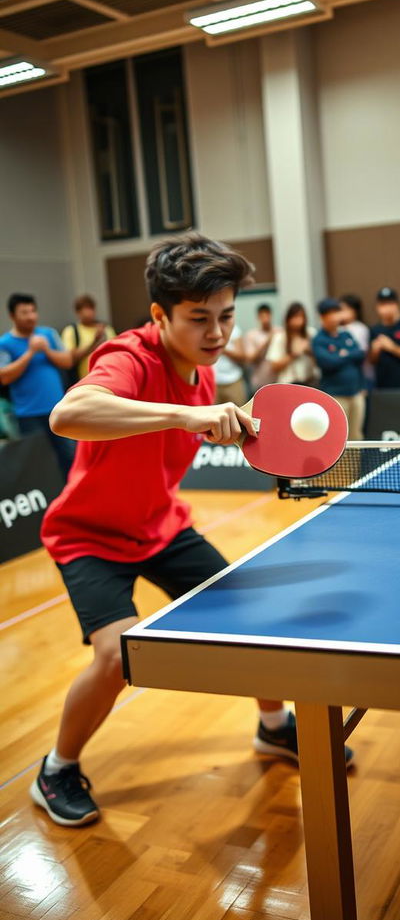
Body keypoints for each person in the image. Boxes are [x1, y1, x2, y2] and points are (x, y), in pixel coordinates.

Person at [32, 233, 353, 828]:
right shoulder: (128, 357)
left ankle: (274, 727)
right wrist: (186, 415)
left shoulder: (204, 373)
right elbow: (68, 415)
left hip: (162, 525)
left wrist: (208, 419)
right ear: (160, 315)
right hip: (89, 537)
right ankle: (56, 768)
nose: (216, 333)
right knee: (115, 657)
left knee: (250, 621)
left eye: (226, 316)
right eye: (198, 318)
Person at [0, 293, 76, 477]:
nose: (31, 316)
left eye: (33, 311)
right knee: (39, 463)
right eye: (24, 312)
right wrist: (30, 352)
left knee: (70, 456)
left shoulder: (48, 334)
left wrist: (47, 350)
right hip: (29, 414)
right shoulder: (5, 343)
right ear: (12, 316)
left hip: (58, 409)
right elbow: (4, 377)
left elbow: (67, 361)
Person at [312, 298, 366, 438]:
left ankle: (357, 462)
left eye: (337, 312)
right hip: (336, 396)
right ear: (323, 316)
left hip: (355, 394)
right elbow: (328, 362)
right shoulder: (319, 339)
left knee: (356, 436)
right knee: (339, 437)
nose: (336, 316)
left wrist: (342, 355)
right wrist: (348, 355)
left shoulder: (346, 334)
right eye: (331, 313)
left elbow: (359, 355)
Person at [369, 287, 400, 389]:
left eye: (390, 304)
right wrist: (375, 351)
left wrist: (392, 348)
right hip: (381, 386)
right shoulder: (375, 330)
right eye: (382, 304)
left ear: (396, 305)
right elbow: (371, 361)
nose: (386, 308)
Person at [61, 295, 115, 383]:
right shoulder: (71, 330)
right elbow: (71, 358)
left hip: (107, 378)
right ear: (77, 312)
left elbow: (115, 352)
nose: (88, 312)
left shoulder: (106, 329)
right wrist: (94, 342)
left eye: (90, 308)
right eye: (84, 309)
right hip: (82, 382)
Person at [266, 302, 317, 385]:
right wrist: (293, 355)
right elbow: (274, 367)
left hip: (310, 382)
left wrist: (308, 350)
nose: (298, 321)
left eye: (301, 316)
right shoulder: (280, 337)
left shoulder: (311, 333)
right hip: (288, 385)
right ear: (288, 319)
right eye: (295, 317)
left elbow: (320, 361)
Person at [339, 293, 373, 388]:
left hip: (361, 375)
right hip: (341, 376)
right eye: (340, 309)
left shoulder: (361, 329)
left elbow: (360, 353)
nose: (342, 313)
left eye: (346, 309)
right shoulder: (337, 329)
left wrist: (345, 354)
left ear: (355, 311)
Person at [243, 303, 277, 394]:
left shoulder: (279, 332)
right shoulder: (251, 335)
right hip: (259, 383)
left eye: (267, 315)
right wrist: (267, 342)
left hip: (278, 382)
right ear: (258, 317)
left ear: (271, 315)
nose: (265, 318)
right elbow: (250, 359)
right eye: (262, 316)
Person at [214, 322, 247, 405]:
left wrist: (222, 348)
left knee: (239, 414)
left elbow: (242, 357)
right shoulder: (207, 329)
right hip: (213, 383)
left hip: (233, 380)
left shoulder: (235, 330)